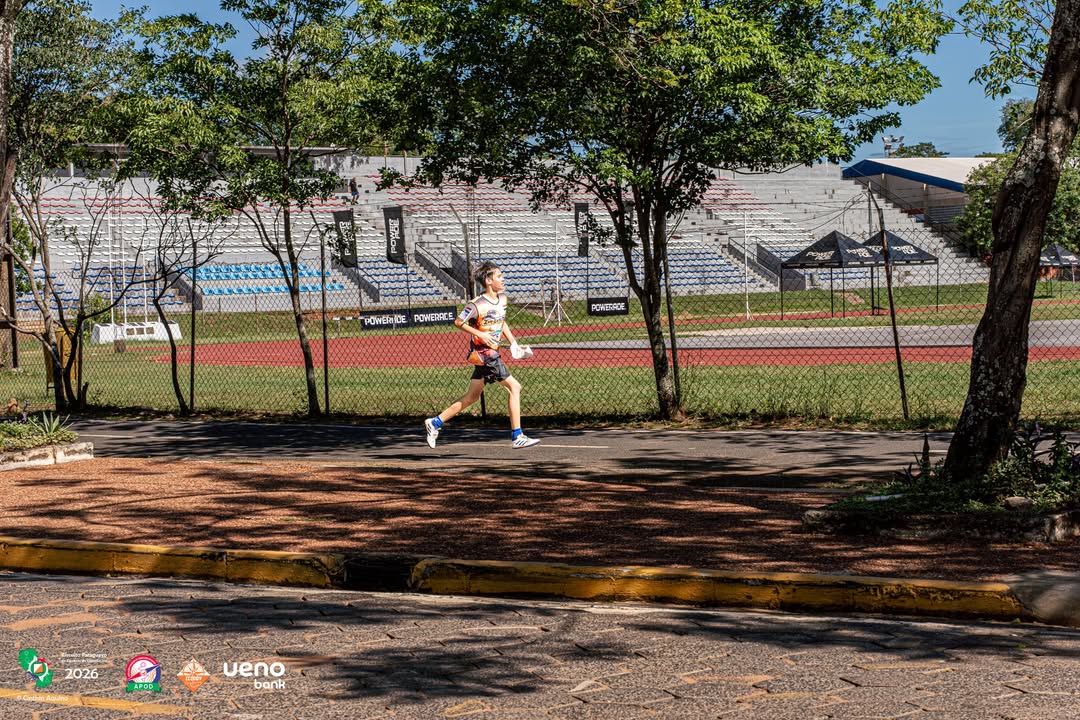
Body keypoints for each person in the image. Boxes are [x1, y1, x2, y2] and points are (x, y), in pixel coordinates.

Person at [424, 261, 540, 449]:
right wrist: (482, 335)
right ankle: (517, 435)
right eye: (499, 276)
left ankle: (435, 423)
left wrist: (514, 344)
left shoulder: (502, 299)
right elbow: (459, 321)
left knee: (472, 396)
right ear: (488, 280)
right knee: (514, 387)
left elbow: (502, 322)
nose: (503, 279)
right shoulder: (476, 304)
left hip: (491, 352)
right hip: (484, 354)